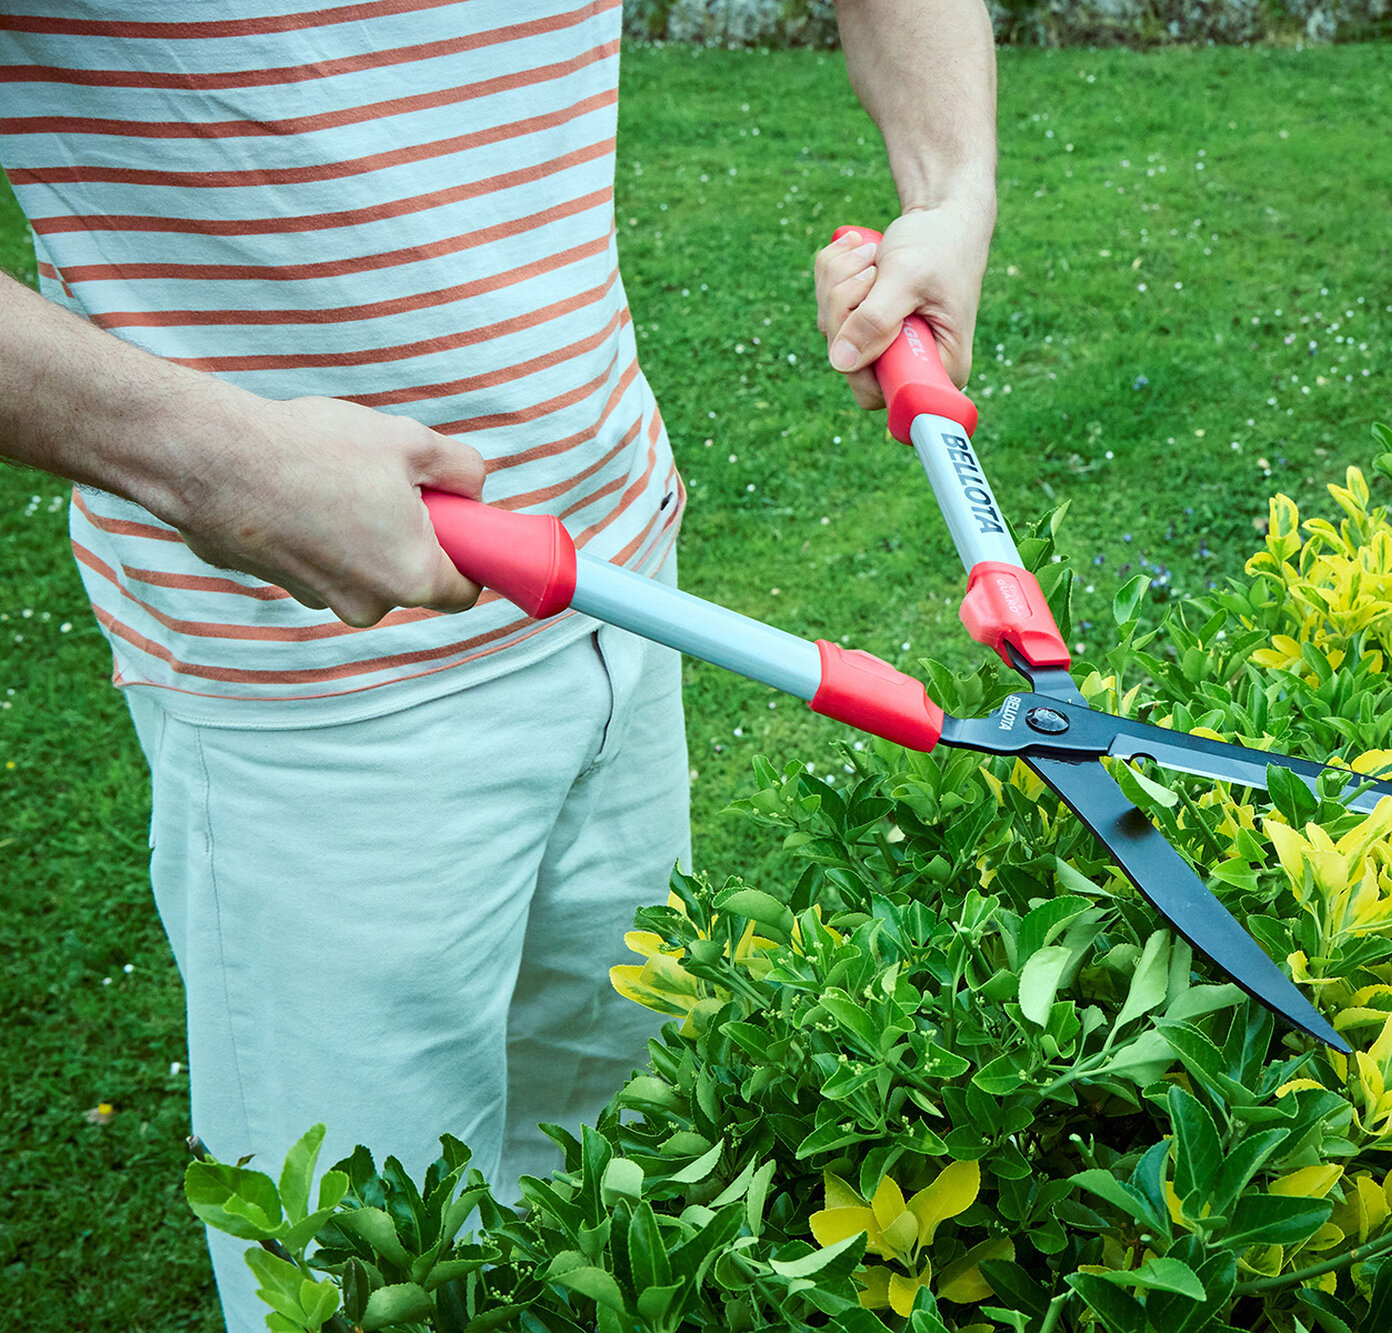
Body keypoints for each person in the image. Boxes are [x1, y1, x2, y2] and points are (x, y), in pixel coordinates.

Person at [0, 2, 995, 1326]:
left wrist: (951, 188)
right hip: (317, 699)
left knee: (603, 1190)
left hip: (627, 588)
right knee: (362, 1286)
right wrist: (210, 460)